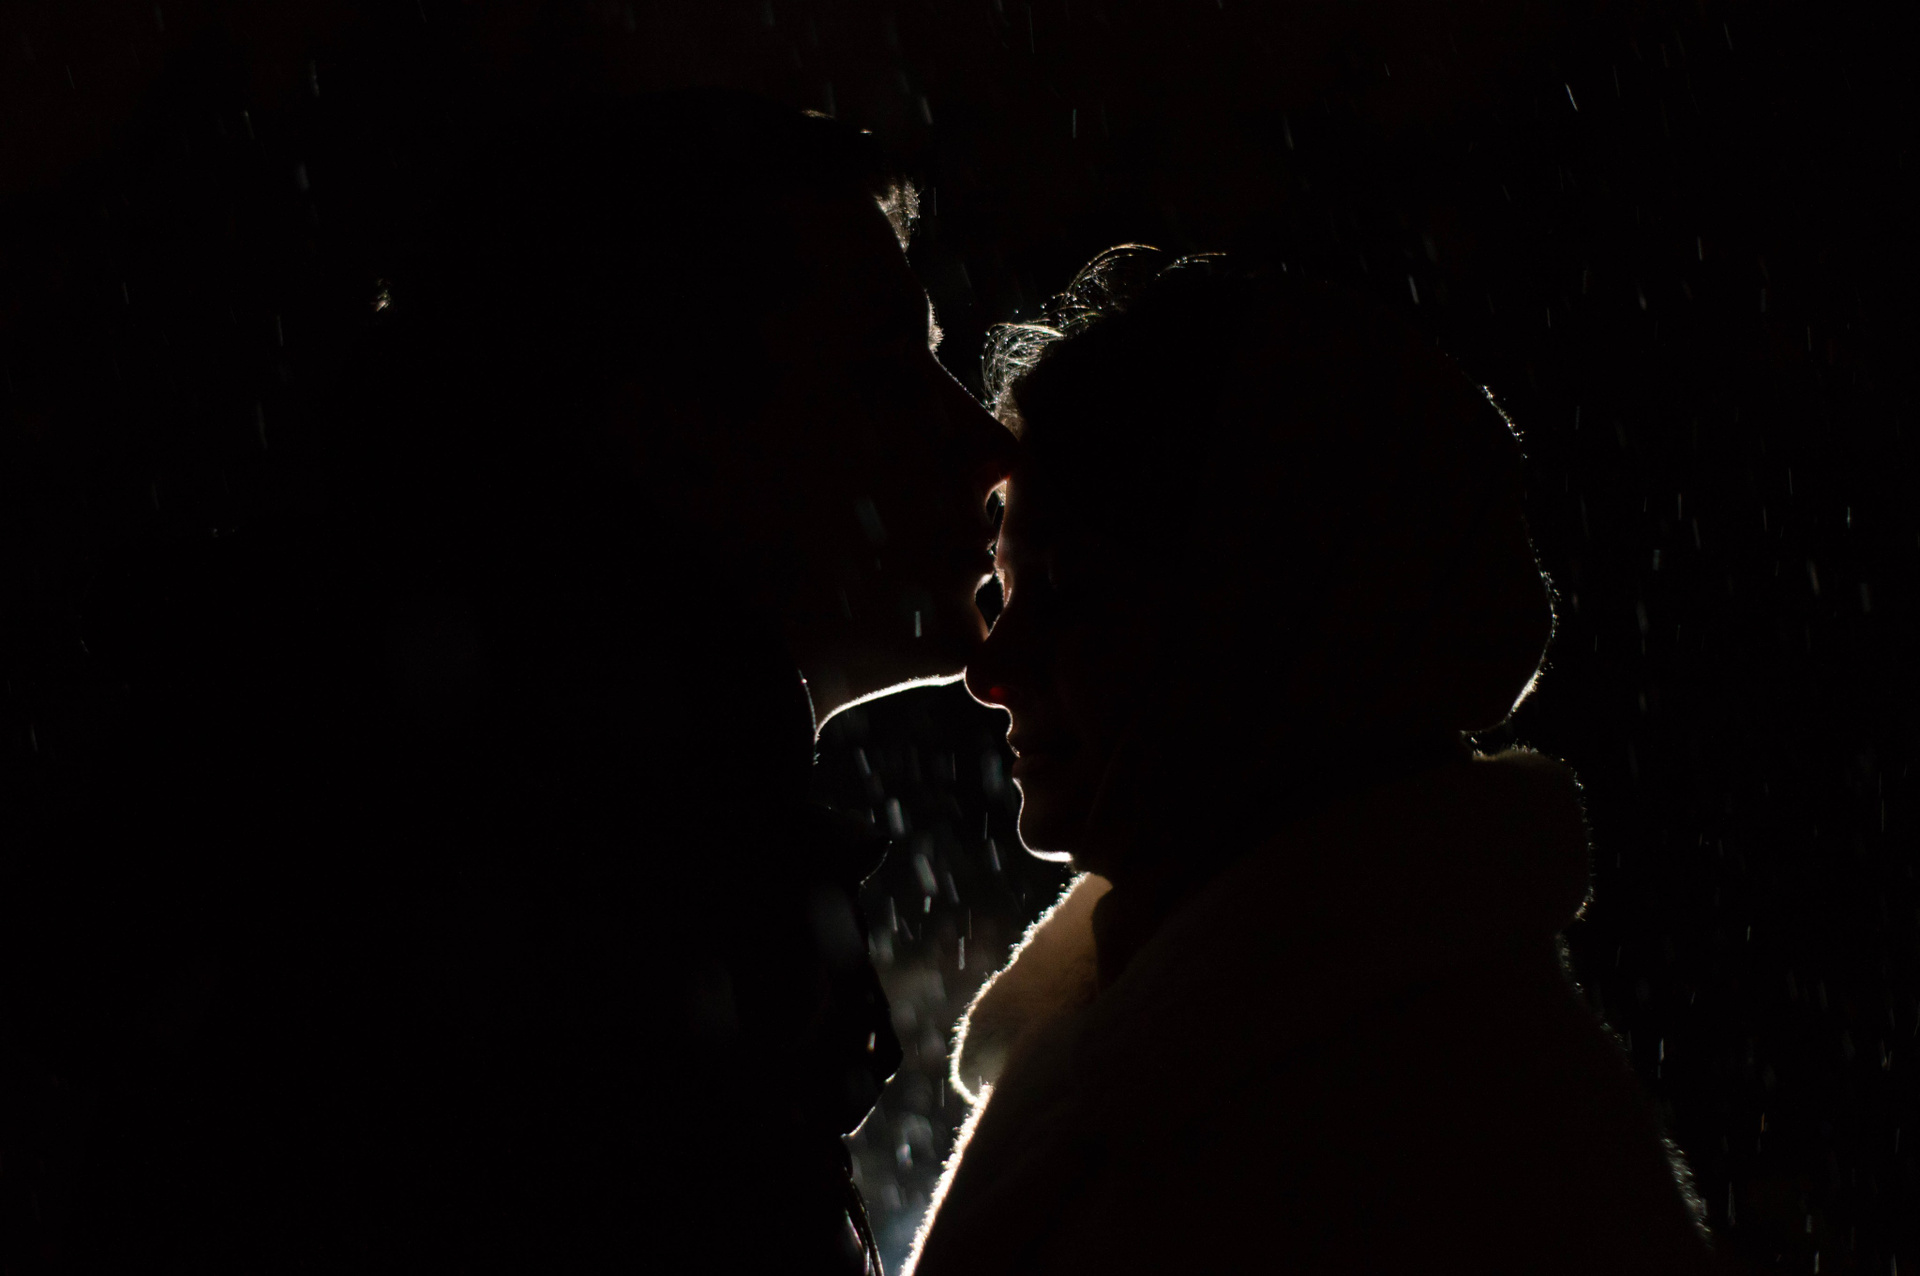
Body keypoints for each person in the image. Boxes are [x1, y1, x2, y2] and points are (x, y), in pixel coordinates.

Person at [0, 49, 1012, 1276]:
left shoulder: (459, 821)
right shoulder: (572, 920)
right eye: (886, 376)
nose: (983, 446)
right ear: (663, 428)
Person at [903, 249, 1721, 1274]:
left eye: (1070, 593)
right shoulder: (1286, 1061)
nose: (991, 670)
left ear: (1263, 614)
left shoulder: (1416, 1137)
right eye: (1004, 592)